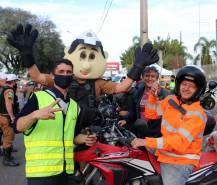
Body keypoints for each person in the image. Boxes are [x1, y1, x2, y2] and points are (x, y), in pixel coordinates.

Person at [7, 23, 159, 129]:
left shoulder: (98, 83)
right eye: (82, 56)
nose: (86, 65)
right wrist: (27, 54)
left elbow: (122, 86)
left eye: (92, 57)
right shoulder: (63, 78)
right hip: (63, 126)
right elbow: (37, 77)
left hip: (89, 128)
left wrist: (138, 66)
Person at [15, 59, 97, 185]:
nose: (65, 75)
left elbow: (72, 136)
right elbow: (17, 126)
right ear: (53, 75)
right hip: (42, 174)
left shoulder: (74, 106)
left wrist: (84, 139)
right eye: (61, 71)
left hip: (66, 172)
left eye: (68, 72)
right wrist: (34, 115)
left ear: (72, 76)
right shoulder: (39, 97)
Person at [131, 65, 207, 185]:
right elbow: (151, 114)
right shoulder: (172, 100)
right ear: (178, 85)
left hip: (180, 161)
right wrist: (152, 96)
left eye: (191, 86)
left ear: (198, 90)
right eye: (184, 84)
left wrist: (146, 141)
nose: (186, 88)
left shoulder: (197, 114)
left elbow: (178, 142)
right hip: (164, 150)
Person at [133, 66, 168, 138]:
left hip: (156, 133)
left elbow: (162, 114)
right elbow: (134, 109)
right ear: (142, 77)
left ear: (157, 78)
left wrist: (156, 98)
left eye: (153, 76)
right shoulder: (139, 91)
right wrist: (126, 119)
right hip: (141, 130)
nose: (149, 78)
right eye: (147, 76)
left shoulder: (163, 93)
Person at [0, 73, 20, 166]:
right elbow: (8, 104)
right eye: (16, 81)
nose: (16, 83)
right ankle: (7, 160)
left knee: (5, 135)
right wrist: (12, 117)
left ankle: (7, 155)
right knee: (8, 137)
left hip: (2, 116)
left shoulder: (2, 89)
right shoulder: (9, 91)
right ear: (13, 81)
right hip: (6, 117)